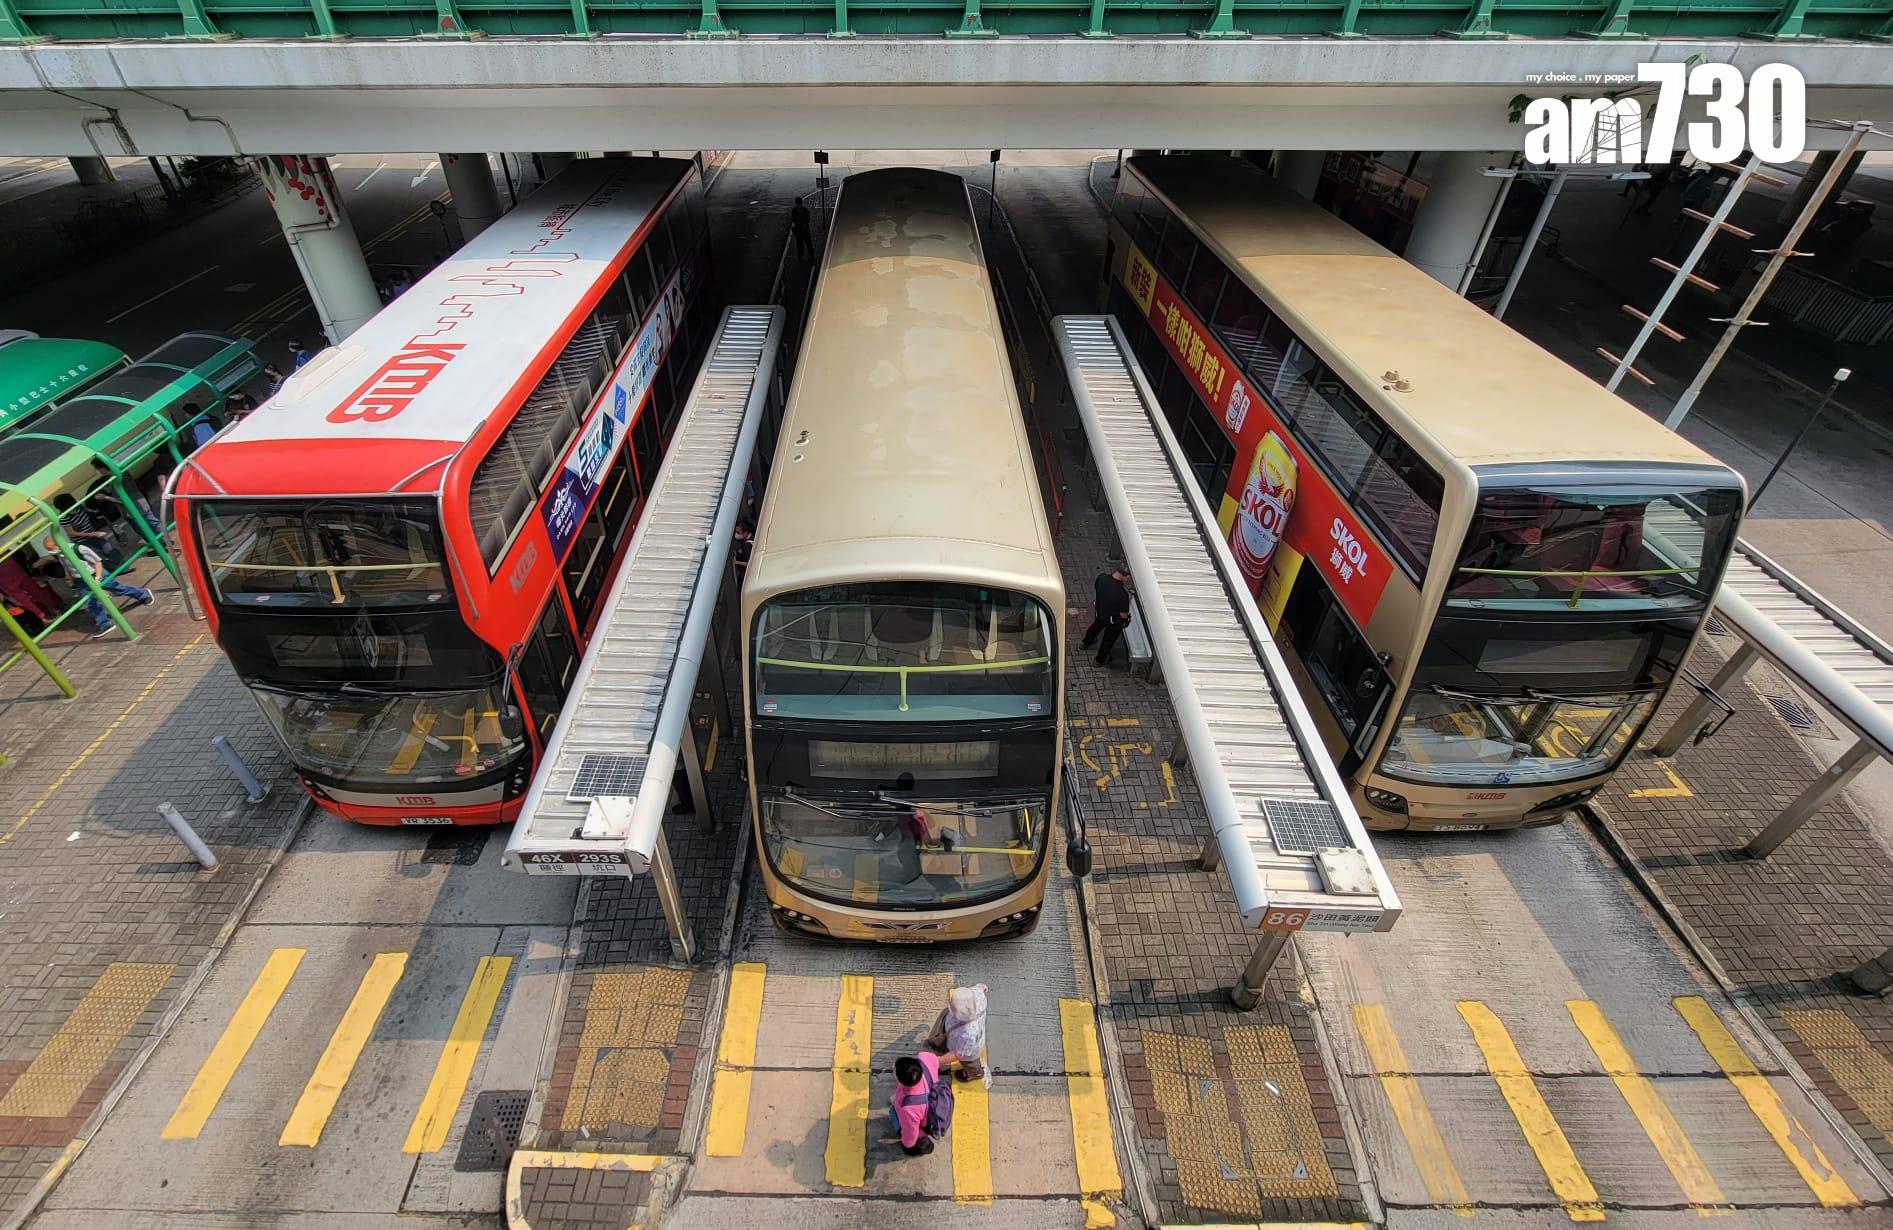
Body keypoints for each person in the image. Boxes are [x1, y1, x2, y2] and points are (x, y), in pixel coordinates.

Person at [41, 535, 153, 638]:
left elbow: (97, 562)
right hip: (80, 579)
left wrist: (97, 578)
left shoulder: (79, 549)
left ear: (59, 544)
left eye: (51, 548)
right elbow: (67, 566)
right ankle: (104, 623)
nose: (50, 551)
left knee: (116, 589)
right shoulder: (59, 554)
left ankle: (142, 593)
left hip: (95, 573)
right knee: (90, 601)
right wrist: (71, 579)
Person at [890, 1051, 954, 1157]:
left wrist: (907, 1144)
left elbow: (910, 1132)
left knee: (894, 1116)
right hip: (935, 1101)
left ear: (902, 1081)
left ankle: (924, 1144)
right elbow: (938, 1061)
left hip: (926, 1122)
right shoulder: (924, 1058)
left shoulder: (909, 1108)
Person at [926, 985, 991, 1087]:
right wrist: (982, 987)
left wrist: (939, 1061)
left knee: (970, 1063)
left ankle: (974, 1073)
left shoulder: (968, 1034)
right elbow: (981, 987)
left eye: (952, 1007)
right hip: (955, 1035)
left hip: (969, 1051)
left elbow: (959, 1053)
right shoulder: (978, 996)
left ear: (959, 1015)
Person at [1079, 564, 1133, 667]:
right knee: (1108, 640)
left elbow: (1098, 590)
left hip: (1100, 612)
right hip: (1113, 621)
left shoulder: (1101, 577)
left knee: (1095, 627)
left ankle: (1086, 643)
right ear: (1126, 576)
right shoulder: (1123, 594)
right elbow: (1123, 615)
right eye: (1128, 577)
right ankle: (1100, 660)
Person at [52, 494, 120, 568]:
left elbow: (86, 509)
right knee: (97, 556)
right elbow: (71, 533)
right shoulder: (64, 518)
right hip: (82, 540)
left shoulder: (78, 506)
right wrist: (93, 534)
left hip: (93, 534)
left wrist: (93, 511)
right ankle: (113, 569)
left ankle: (121, 565)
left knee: (109, 549)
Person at [790, 197, 814, 262]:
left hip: (804, 230)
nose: (798, 205)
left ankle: (810, 255)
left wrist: (802, 224)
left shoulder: (796, 211)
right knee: (800, 244)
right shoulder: (800, 211)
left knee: (807, 243)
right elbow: (793, 219)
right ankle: (801, 256)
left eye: (799, 204)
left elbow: (807, 220)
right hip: (800, 230)